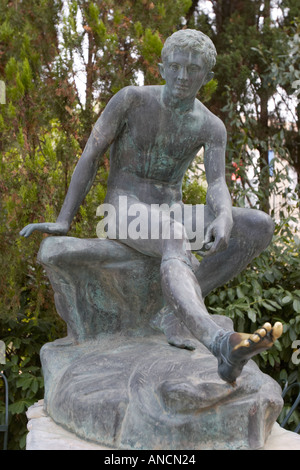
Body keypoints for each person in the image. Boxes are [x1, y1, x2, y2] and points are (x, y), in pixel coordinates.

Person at [20, 29, 282, 384]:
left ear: (207, 76)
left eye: (193, 70)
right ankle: (218, 342)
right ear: (161, 68)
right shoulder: (131, 100)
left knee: (258, 224)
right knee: (173, 234)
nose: (183, 76)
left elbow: (217, 183)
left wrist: (222, 216)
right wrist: (64, 220)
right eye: (175, 66)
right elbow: (91, 155)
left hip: (171, 211)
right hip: (122, 210)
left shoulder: (210, 126)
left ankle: (174, 312)